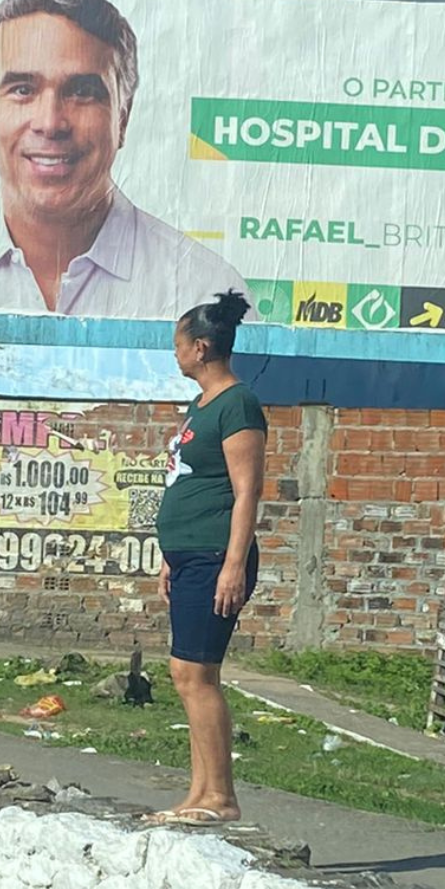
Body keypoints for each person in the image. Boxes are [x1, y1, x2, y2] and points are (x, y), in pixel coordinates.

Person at [0, 0, 252, 319]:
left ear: (122, 117)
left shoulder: (203, 294)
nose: (50, 123)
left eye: (82, 92)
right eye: (23, 90)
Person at [146, 290, 267, 826]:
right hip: (189, 555)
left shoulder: (237, 404)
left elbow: (247, 491)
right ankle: (198, 792)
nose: (174, 354)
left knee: (197, 673)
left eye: (178, 345)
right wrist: (170, 556)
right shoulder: (202, 406)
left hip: (216, 554)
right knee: (185, 672)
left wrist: (232, 564)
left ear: (200, 347)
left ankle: (221, 795)